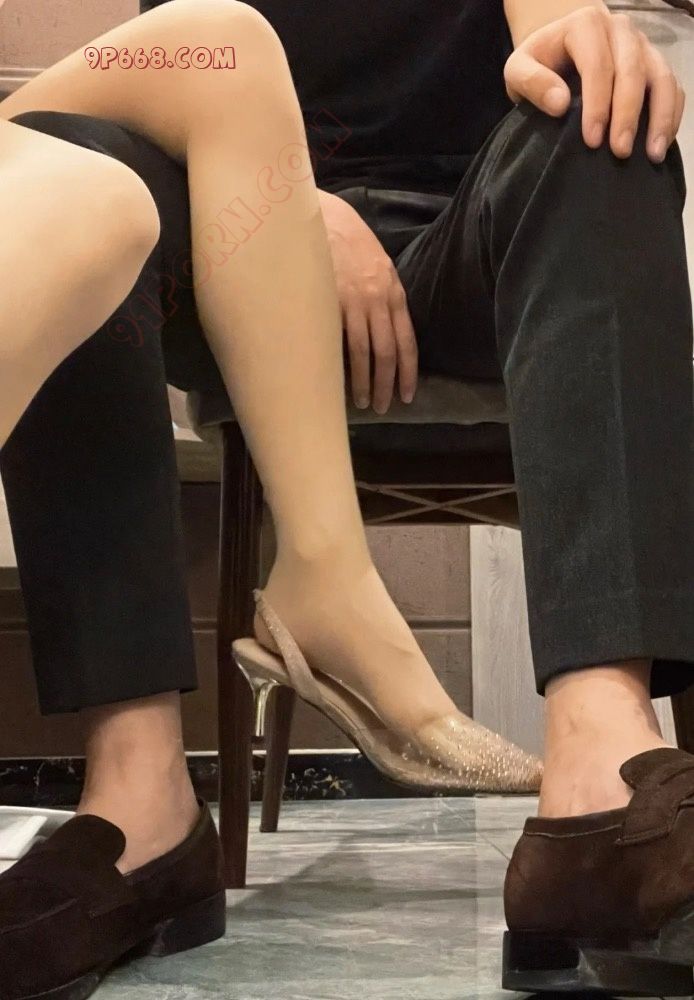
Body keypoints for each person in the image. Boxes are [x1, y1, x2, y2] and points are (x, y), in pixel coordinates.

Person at [1, 0, 692, 994]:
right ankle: (139, 796)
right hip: (237, 230)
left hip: (467, 240)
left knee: (597, 118)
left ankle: (598, 772)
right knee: (80, 159)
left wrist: (583, 40)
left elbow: (552, 33)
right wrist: (292, 202)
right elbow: (178, 72)